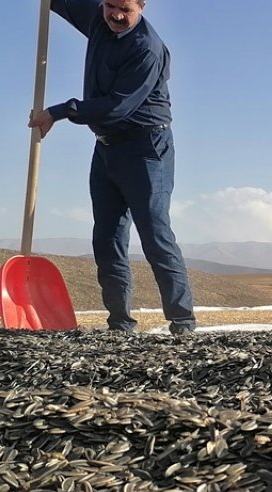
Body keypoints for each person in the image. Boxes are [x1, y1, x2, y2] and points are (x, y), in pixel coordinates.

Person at [29, 0, 197, 336]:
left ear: (141, 6)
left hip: (146, 148)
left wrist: (59, 111)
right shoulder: (98, 19)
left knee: (155, 234)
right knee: (107, 237)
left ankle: (183, 323)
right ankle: (120, 324)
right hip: (106, 148)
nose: (115, 15)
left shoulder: (146, 49)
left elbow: (117, 107)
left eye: (125, 9)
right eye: (109, 6)